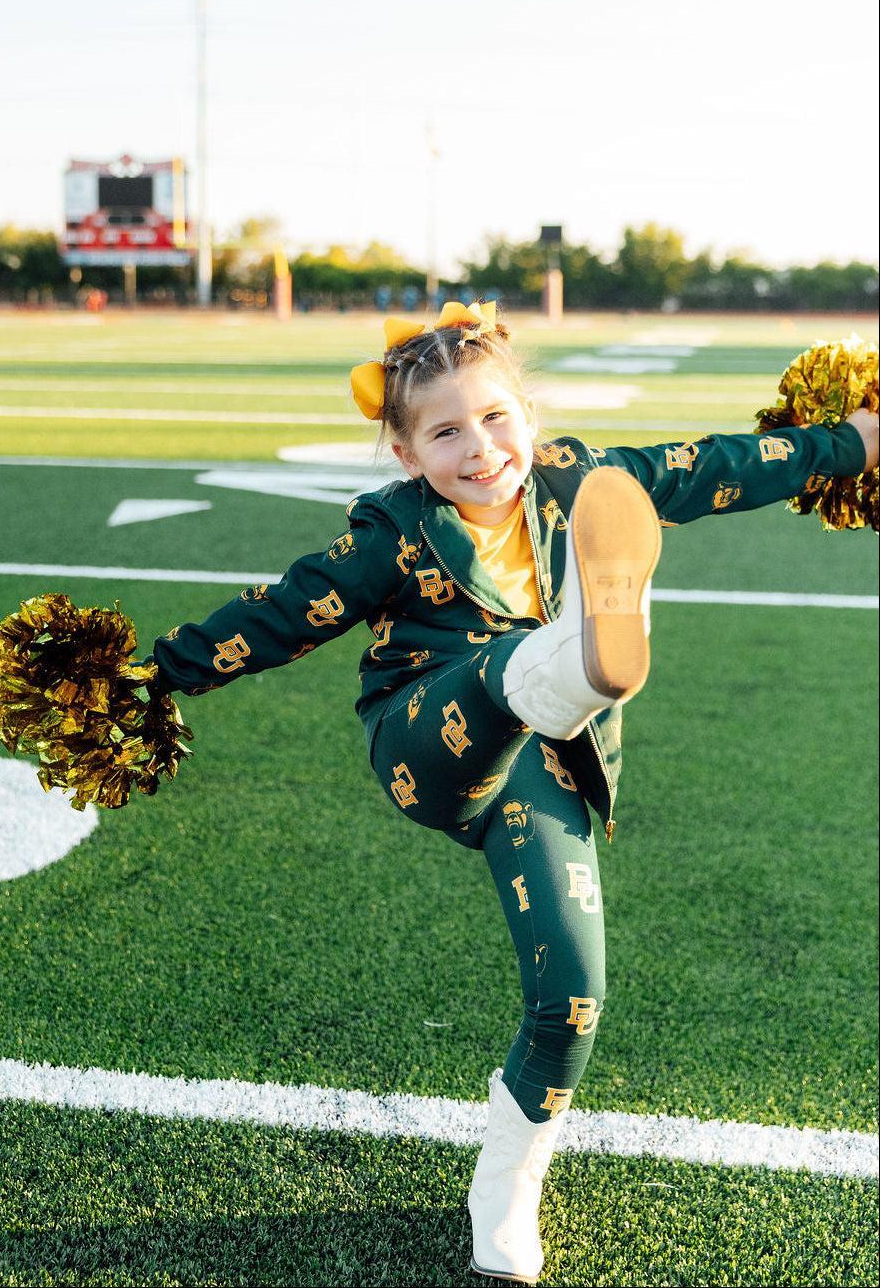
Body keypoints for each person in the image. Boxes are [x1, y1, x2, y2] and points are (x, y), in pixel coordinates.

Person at [147, 301, 877, 1285]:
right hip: (427, 737)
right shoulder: (392, 536)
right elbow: (278, 616)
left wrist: (850, 441)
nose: (480, 449)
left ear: (527, 418)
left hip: (548, 763)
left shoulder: (583, 478)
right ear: (407, 456)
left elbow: (715, 466)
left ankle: (507, 1183)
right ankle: (578, 650)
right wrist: (142, 682)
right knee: (500, 673)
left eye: (496, 419)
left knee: (573, 995)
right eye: (445, 433)